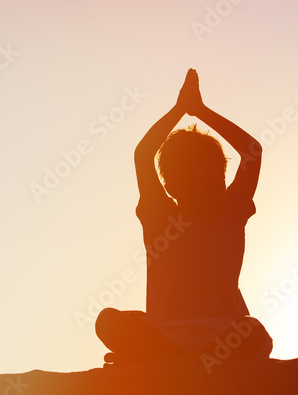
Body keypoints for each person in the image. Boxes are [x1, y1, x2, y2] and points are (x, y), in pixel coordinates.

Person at [96, 69, 272, 367]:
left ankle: (170, 358)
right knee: (108, 321)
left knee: (253, 332)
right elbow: (143, 154)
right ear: (172, 186)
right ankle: (177, 357)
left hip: (225, 333)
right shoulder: (160, 216)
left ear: (222, 176)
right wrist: (179, 110)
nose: (206, 187)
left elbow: (252, 151)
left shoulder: (231, 211)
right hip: (165, 335)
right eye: (194, 179)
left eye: (213, 177)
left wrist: (201, 112)